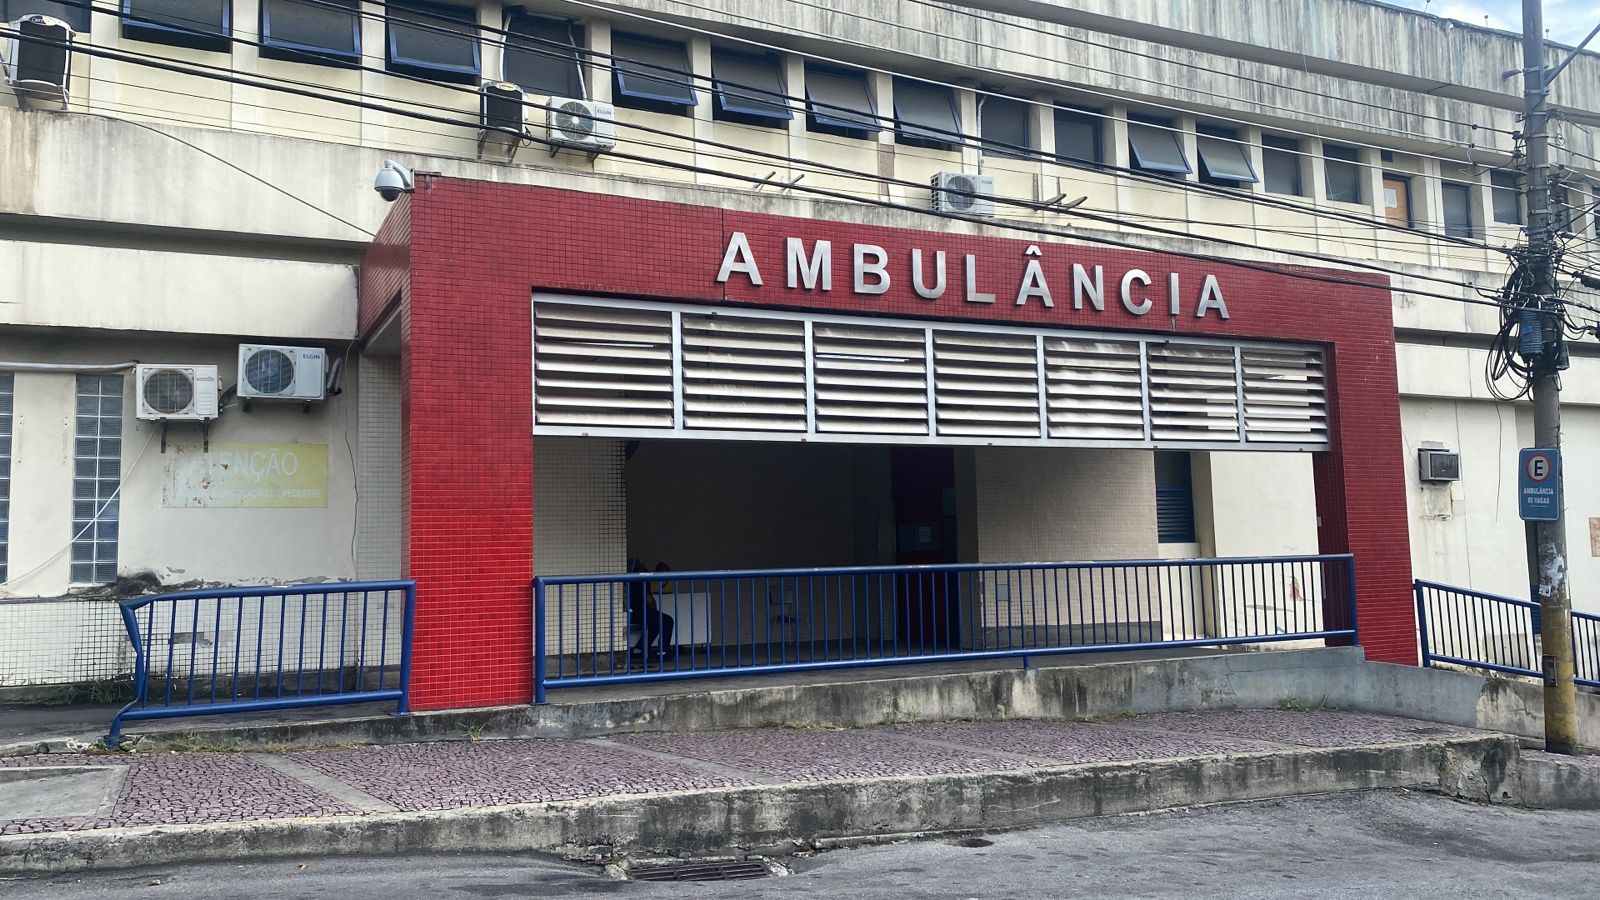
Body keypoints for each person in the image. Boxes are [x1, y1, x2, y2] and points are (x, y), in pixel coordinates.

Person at [628, 560, 675, 664]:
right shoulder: (642, 581)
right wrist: (655, 609)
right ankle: (663, 651)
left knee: (657, 623)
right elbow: (649, 600)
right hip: (642, 612)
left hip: (630, 614)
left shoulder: (629, 580)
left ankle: (639, 649)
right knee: (668, 620)